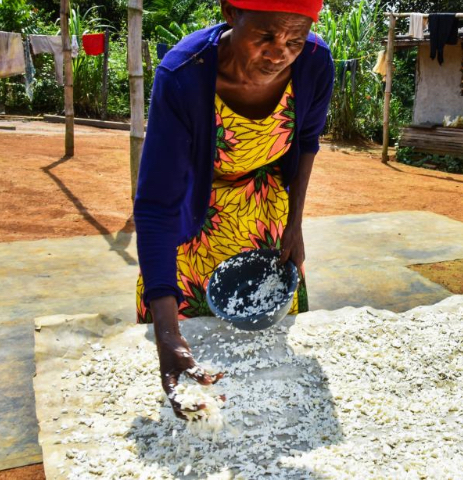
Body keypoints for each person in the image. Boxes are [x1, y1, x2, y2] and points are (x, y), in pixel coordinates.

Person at [133, 0, 333, 418]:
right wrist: (167, 334)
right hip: (195, 212)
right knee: (191, 335)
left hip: (264, 210)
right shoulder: (183, 74)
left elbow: (308, 142)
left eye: (294, 39)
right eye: (265, 36)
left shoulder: (315, 64)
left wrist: (294, 225)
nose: (279, 52)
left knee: (268, 343)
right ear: (230, 13)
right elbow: (156, 206)